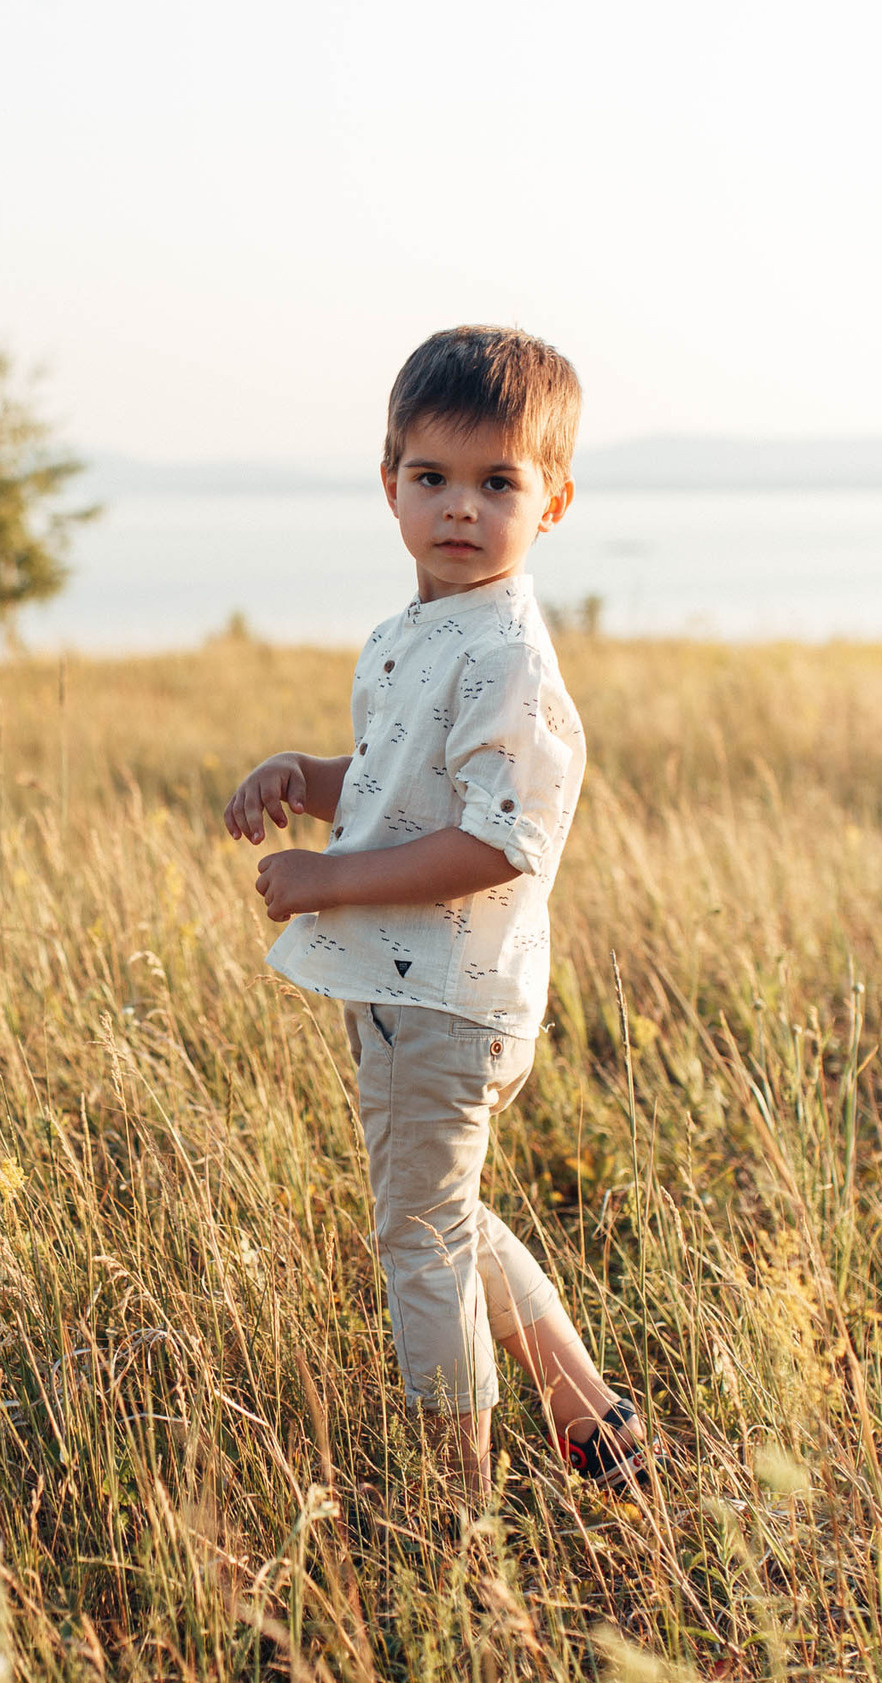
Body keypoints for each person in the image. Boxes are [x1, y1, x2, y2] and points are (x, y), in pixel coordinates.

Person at [225, 324, 649, 1507]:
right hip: (408, 995)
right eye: (434, 479)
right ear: (390, 485)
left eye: (498, 483)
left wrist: (324, 880)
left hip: (448, 1002)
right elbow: (397, 781)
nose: (461, 508)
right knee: (444, 1212)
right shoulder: (416, 633)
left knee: (419, 1244)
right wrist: (300, 780)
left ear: (552, 503)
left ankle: (451, 1510)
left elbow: (493, 847)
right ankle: (594, 1421)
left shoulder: (508, 658)